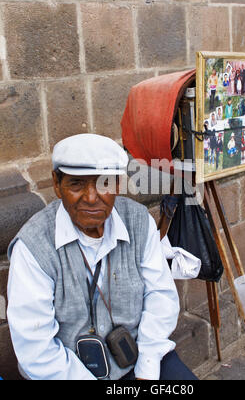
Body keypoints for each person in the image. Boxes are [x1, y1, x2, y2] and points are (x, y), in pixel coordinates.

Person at [7, 134, 198, 381]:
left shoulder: (139, 222)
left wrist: (147, 368)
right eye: (76, 184)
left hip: (138, 358)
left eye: (103, 184)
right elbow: (36, 349)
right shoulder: (33, 247)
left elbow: (160, 296)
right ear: (56, 184)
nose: (90, 197)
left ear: (118, 184)